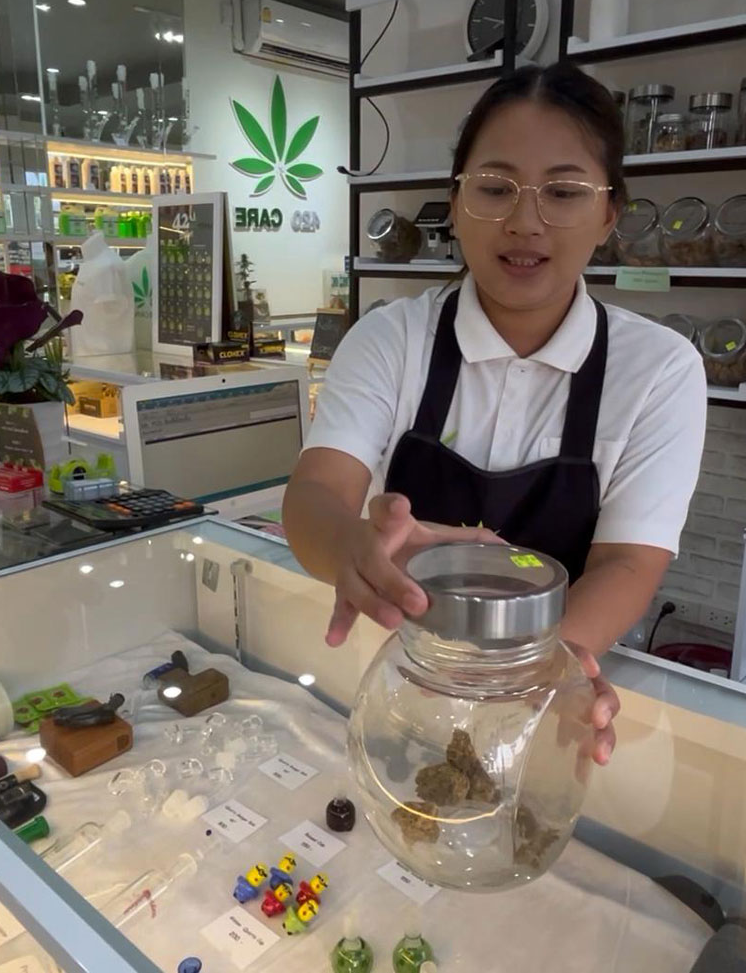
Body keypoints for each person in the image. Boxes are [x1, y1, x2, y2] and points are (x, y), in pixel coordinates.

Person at [282, 64, 708, 764]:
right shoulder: (392, 339)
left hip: (554, 699)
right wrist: (349, 548)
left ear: (609, 213)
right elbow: (316, 495)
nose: (525, 221)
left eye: (564, 192)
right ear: (454, 203)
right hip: (406, 686)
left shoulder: (660, 369)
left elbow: (630, 561)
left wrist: (537, 678)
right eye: (495, 188)